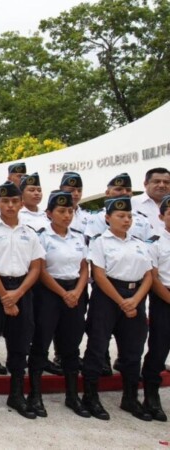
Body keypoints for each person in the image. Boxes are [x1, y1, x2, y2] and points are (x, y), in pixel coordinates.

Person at [0, 181, 44, 419]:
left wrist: (17, 294)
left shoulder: (30, 233)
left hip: (22, 290)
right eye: (5, 201)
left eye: (15, 201)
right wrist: (6, 296)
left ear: (21, 203)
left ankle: (16, 394)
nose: (10, 205)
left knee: (20, 343)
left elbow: (36, 267)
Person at [82, 197, 153, 421]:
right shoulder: (99, 242)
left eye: (129, 216)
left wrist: (135, 300)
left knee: (133, 350)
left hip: (136, 297)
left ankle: (130, 397)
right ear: (107, 218)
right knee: (97, 346)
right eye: (120, 216)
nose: (126, 220)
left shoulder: (140, 244)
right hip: (108, 297)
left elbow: (149, 275)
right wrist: (122, 301)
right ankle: (90, 396)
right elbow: (99, 275)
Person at [28, 191, 90, 418]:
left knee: (71, 345)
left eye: (70, 211)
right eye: (61, 211)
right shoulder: (42, 237)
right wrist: (63, 293)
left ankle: (72, 395)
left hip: (75, 292)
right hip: (50, 293)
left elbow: (84, 267)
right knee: (41, 342)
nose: (66, 215)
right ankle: (35, 395)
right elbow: (41, 269)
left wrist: (77, 291)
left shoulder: (78, 237)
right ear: (49, 213)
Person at [142, 194, 170, 421]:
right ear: (161, 216)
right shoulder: (154, 243)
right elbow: (153, 277)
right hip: (164, 299)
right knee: (159, 348)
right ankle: (151, 396)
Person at [84, 173, 152, 241]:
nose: (124, 192)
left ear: (132, 194)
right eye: (119, 189)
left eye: (128, 190)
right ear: (107, 193)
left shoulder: (142, 218)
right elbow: (92, 244)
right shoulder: (97, 217)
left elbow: (149, 245)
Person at [133, 168, 170, 232]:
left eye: (166, 182)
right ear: (145, 184)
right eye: (157, 181)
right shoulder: (133, 202)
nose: (162, 185)